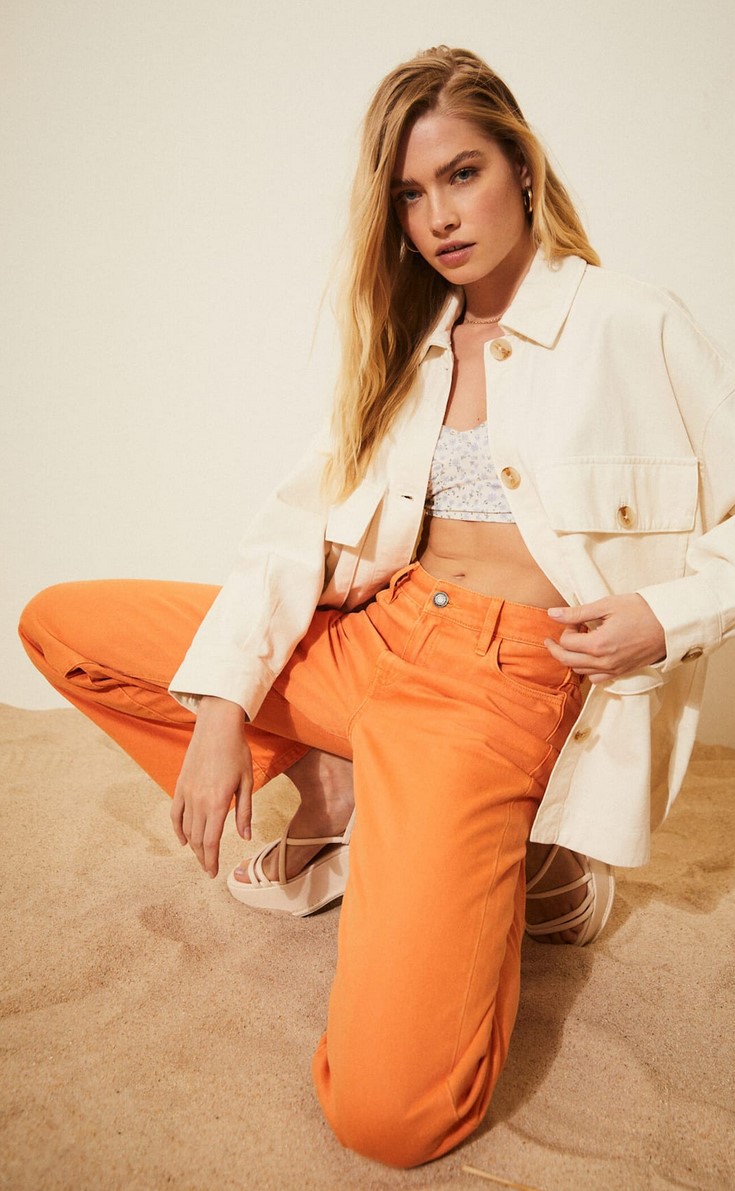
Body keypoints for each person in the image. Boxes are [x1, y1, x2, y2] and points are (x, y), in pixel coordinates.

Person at [19, 46, 735, 1169]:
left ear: (523, 168)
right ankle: (343, 790)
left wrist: (667, 614)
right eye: (409, 193)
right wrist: (221, 709)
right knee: (63, 624)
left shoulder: (630, 322)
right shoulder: (410, 342)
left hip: (498, 692)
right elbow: (296, 528)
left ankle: (532, 862)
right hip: (375, 637)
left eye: (461, 174)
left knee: (392, 1117)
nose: (437, 216)